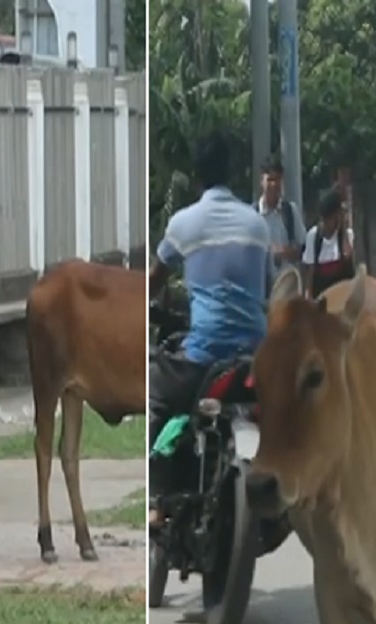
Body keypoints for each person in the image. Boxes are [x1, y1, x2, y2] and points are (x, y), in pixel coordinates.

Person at [147, 131, 273, 527]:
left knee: (155, 395)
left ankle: (155, 498)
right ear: (231, 174)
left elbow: (154, 279)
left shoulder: (184, 224)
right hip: (255, 357)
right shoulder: (258, 227)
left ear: (197, 177)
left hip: (204, 356)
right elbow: (267, 289)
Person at [302, 188, 356, 299]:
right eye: (332, 218)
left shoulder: (346, 235)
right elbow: (310, 275)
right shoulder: (313, 237)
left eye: (338, 216)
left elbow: (347, 255)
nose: (335, 222)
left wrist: (344, 227)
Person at [258, 155, 306, 276]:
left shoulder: (290, 211)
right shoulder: (253, 214)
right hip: (262, 285)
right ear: (261, 181)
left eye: (277, 179)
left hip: (288, 285)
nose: (274, 184)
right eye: (270, 179)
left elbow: (303, 249)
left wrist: (284, 252)